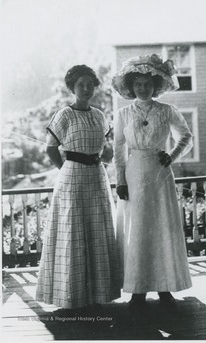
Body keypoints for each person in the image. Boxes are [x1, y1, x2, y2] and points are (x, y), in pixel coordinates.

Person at [36, 65, 120, 312]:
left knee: (96, 230)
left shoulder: (99, 115)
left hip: (96, 177)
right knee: (73, 232)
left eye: (90, 85)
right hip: (71, 176)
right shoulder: (64, 115)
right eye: (80, 85)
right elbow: (51, 149)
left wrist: (106, 157)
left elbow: (106, 150)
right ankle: (72, 295)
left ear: (95, 87)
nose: (86, 89)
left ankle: (97, 293)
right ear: (72, 88)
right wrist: (66, 169)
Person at [112, 54, 193, 310]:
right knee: (138, 230)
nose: (143, 88)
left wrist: (172, 155)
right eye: (138, 84)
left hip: (159, 174)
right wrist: (120, 180)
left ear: (156, 86)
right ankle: (137, 290)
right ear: (132, 87)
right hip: (134, 173)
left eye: (148, 84)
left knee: (161, 228)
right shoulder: (123, 113)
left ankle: (164, 287)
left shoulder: (167, 111)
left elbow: (186, 136)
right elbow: (117, 149)